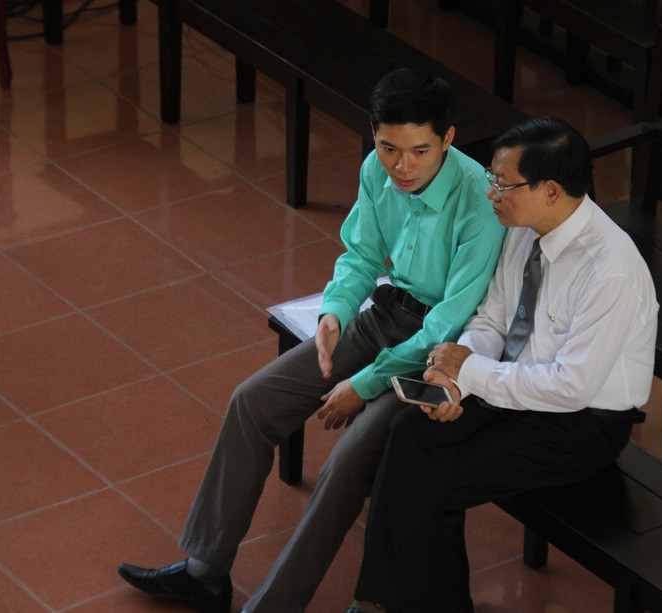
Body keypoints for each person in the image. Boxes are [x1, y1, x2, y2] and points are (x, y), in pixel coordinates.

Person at [117, 67, 506, 613]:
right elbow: (362, 257)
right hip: (383, 316)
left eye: (419, 151)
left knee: (344, 465)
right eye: (389, 148)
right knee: (252, 401)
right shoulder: (376, 170)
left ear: (448, 138)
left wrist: (362, 386)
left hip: (435, 355)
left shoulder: (480, 202)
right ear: (374, 134)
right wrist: (335, 312)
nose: (402, 166)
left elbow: (447, 322)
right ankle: (205, 572)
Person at [346, 116, 659, 613]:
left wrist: (470, 372)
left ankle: (390, 605)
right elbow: (494, 317)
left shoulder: (611, 271)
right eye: (492, 178)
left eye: (503, 183)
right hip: (511, 385)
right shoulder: (523, 228)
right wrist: (454, 380)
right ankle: (386, 603)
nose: (491, 193)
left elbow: (570, 387)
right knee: (411, 431)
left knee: (430, 481)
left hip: (580, 424)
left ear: (550, 189)